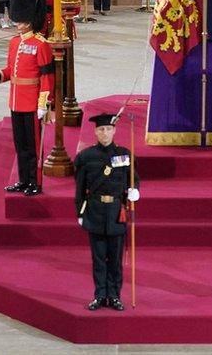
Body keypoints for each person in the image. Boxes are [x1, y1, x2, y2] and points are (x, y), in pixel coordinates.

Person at [0, 0, 54, 195]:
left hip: (32, 103)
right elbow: (10, 71)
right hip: (15, 101)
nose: (18, 22)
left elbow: (47, 77)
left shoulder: (41, 44)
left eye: (21, 19)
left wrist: (44, 103)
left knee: (33, 146)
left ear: (30, 19)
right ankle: (23, 180)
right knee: (20, 145)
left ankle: (35, 182)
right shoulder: (15, 42)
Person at [74, 113, 141, 311]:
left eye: (108, 129)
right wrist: (80, 213)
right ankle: (99, 295)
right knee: (98, 259)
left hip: (115, 213)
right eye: (101, 129)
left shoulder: (125, 155)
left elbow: (133, 178)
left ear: (114, 131)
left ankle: (114, 296)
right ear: (95, 132)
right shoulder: (85, 157)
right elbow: (79, 189)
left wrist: (135, 189)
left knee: (115, 259)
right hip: (95, 212)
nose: (105, 133)